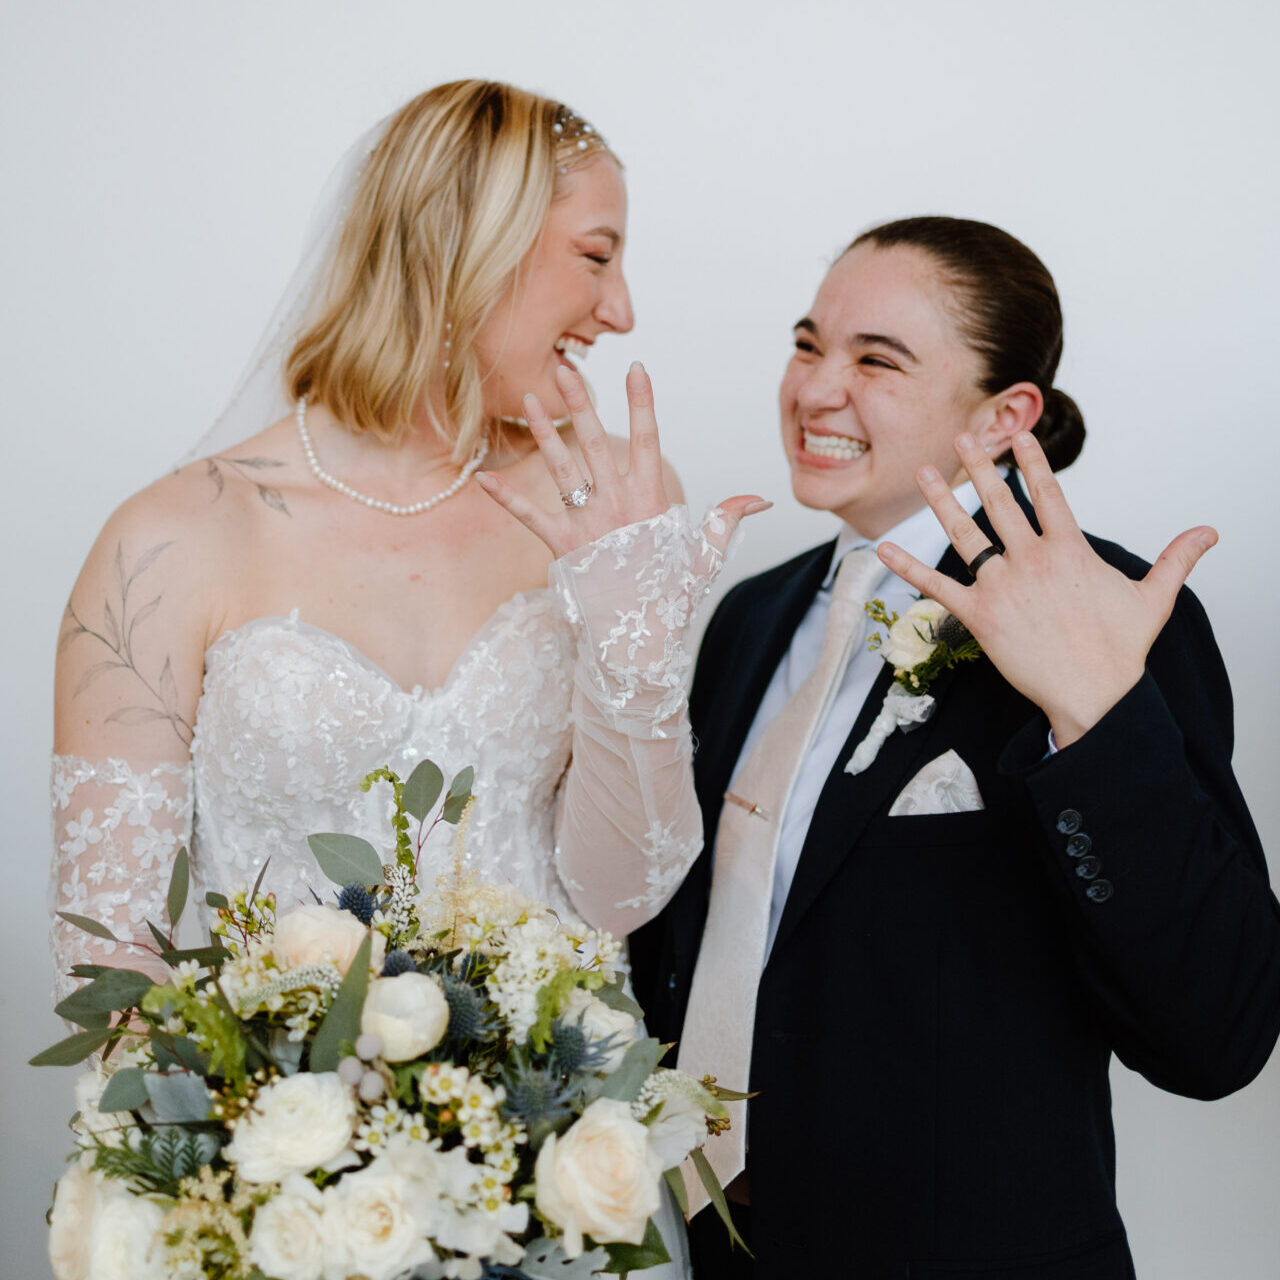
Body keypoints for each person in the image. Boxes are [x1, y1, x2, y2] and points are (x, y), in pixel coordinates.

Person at [49, 79, 761, 1276]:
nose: (620, 308)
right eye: (595, 256)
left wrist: (631, 644)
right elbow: (107, 958)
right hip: (278, 1201)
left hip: (558, 1192)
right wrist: (249, 1186)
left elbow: (620, 896)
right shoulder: (171, 537)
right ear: (469, 238)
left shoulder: (605, 509)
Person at [630, 216, 1280, 1278]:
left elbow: (1215, 1032)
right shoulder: (749, 614)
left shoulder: (1104, 618)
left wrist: (1094, 712)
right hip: (712, 1244)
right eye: (806, 345)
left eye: (874, 359)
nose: (813, 389)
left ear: (1002, 414)